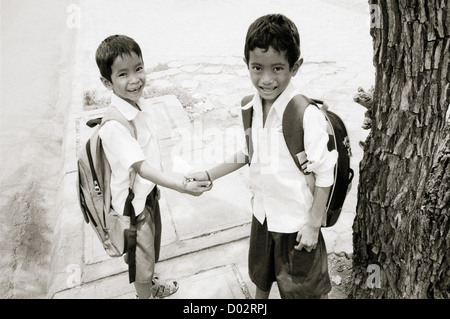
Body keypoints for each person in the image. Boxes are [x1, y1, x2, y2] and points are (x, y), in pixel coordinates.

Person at [185, 14, 337, 299]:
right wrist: (209, 174)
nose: (266, 80)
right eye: (257, 68)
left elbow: (325, 174)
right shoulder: (251, 107)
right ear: (247, 65)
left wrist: (314, 226)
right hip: (263, 218)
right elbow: (249, 152)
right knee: (261, 281)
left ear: (295, 66)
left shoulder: (306, 116)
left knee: (305, 292)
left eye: (277, 68)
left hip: (296, 226)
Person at [95, 34, 212, 299]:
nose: (135, 79)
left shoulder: (137, 105)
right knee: (142, 262)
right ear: (107, 82)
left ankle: (148, 284)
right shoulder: (115, 126)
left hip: (147, 196)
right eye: (123, 74)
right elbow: (143, 167)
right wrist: (182, 186)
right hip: (133, 209)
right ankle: (144, 294)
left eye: (138, 69)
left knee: (148, 251)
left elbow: (149, 157)